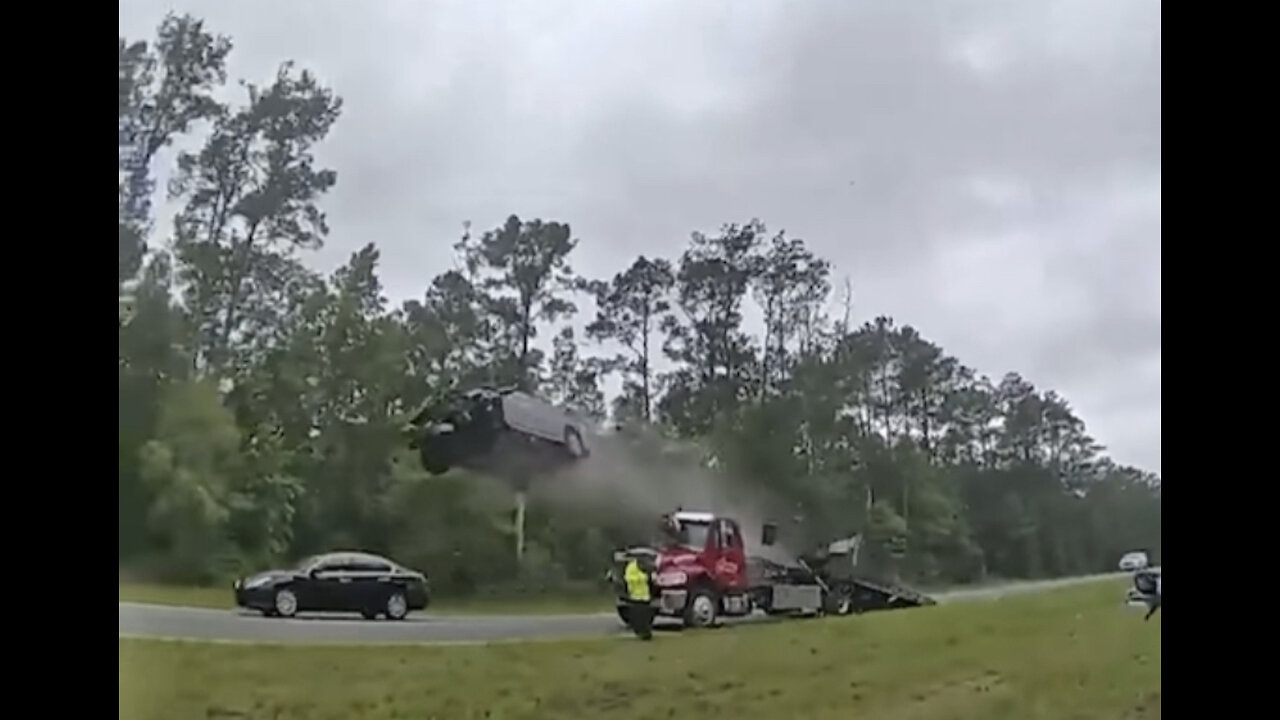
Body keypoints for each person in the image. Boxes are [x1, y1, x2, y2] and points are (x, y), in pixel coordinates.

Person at [622, 556, 657, 640]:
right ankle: (642, 632)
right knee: (639, 617)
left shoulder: (638, 567)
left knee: (644, 616)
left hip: (643, 596)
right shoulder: (632, 568)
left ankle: (644, 632)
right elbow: (630, 579)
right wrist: (645, 577)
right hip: (636, 596)